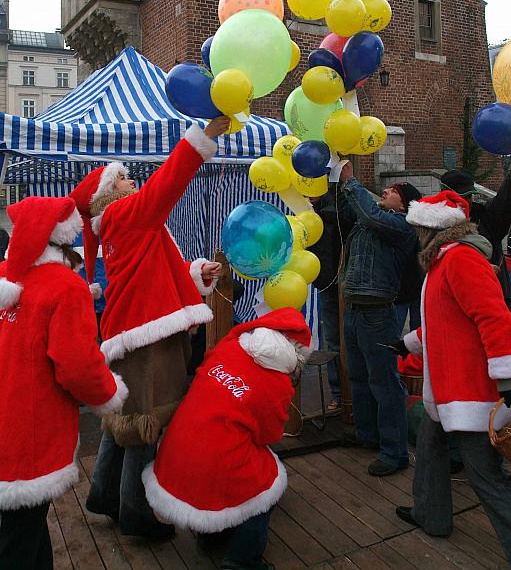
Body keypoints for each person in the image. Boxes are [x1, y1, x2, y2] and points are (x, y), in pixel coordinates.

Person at [69, 117, 230, 539]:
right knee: (146, 424)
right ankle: (136, 512)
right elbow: (168, 182)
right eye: (121, 178)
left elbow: (156, 270)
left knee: (125, 417)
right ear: (108, 196)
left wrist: (196, 274)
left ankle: (104, 493)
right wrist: (203, 138)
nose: (130, 179)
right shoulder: (125, 213)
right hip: (149, 338)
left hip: (131, 330)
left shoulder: (123, 224)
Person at [0, 196, 128, 570]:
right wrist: (109, 392)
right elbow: (77, 367)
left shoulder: (6, 277)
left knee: (22, 524)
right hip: (32, 430)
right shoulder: (66, 288)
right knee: (18, 534)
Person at [394, 190, 511, 568]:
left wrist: (509, 377)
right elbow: (444, 323)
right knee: (430, 449)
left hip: (470, 392)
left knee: (488, 479)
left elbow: (494, 318)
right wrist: (407, 344)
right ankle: (431, 515)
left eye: (418, 226)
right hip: (447, 390)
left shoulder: (460, 259)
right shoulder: (441, 262)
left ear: (432, 227)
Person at [142, 307, 313, 570]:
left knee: (225, 453)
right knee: (266, 480)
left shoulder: (229, 348)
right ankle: (242, 559)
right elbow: (269, 435)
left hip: (173, 452)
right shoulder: (278, 382)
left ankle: (212, 534)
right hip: (213, 463)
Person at [338, 164, 421, 476]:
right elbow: (348, 214)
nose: (385, 191)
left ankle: (394, 451)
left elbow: (371, 216)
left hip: (378, 312)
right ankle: (367, 434)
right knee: (358, 376)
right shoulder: (371, 220)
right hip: (356, 309)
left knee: (384, 382)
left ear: (405, 205)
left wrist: (350, 180)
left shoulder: (401, 225)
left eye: (393, 191)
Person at [440, 159, 511, 306]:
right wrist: (477, 270)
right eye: (461, 197)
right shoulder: (433, 225)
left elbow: (505, 204)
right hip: (453, 302)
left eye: (469, 196)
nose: (466, 202)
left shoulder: (484, 217)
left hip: (492, 298)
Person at [310, 183, 353, 410]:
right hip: (326, 283)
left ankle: (351, 394)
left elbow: (346, 220)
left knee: (349, 339)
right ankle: (338, 393)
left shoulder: (338, 203)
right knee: (334, 340)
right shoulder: (308, 212)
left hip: (347, 283)